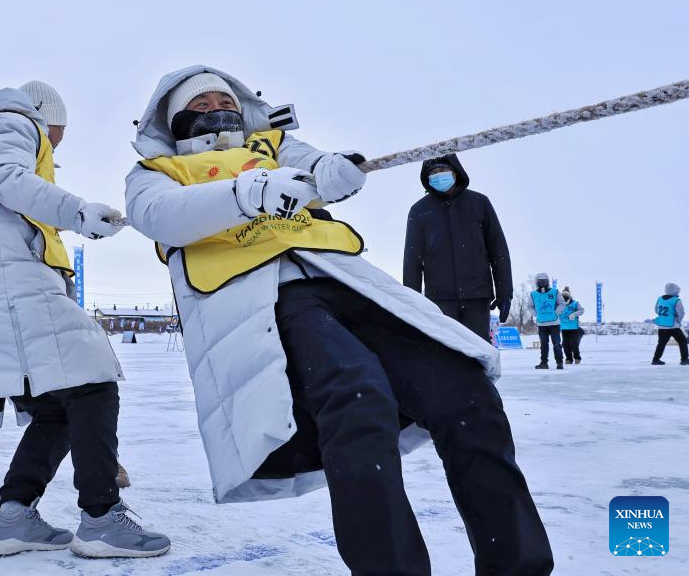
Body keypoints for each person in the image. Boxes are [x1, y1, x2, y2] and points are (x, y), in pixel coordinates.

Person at [124, 66, 553, 575]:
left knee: (465, 390)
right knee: (356, 398)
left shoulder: (272, 146)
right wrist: (247, 193)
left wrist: (335, 173)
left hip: (345, 279)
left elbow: (318, 168)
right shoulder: (156, 172)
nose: (216, 110)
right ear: (173, 122)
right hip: (266, 295)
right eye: (199, 105)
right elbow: (159, 214)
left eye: (225, 101)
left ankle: (517, 566)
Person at [0, 81, 168, 558]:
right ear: (47, 116)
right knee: (93, 380)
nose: (56, 145)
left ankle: (13, 517)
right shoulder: (16, 119)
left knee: (58, 406)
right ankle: (102, 518)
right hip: (13, 289)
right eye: (59, 132)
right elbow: (7, 179)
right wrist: (78, 212)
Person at [403, 154, 512, 341]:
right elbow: (412, 260)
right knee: (446, 351)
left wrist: (505, 293)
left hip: (477, 296)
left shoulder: (479, 203)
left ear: (455, 172)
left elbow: (498, 250)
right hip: (439, 300)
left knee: (478, 350)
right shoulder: (419, 210)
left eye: (442, 170)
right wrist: (412, 302)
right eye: (433, 173)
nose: (438, 175)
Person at [532, 273, 565, 370]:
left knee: (557, 343)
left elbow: (562, 303)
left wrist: (556, 313)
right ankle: (544, 363)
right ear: (537, 282)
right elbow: (529, 306)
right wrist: (536, 314)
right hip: (541, 323)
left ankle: (559, 363)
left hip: (554, 323)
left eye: (544, 280)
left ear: (548, 281)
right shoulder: (533, 294)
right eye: (540, 281)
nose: (542, 282)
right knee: (543, 345)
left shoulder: (555, 292)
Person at [652, 282, 688, 365]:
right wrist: (678, 320)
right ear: (675, 291)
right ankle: (684, 359)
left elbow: (656, 310)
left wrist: (664, 316)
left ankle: (655, 360)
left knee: (661, 344)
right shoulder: (676, 300)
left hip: (662, 326)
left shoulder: (659, 299)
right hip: (673, 326)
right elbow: (681, 313)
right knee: (683, 341)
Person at [559, 287, 585, 364]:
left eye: (566, 298)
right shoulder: (559, 304)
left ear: (569, 297)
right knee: (565, 344)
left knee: (574, 343)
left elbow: (582, 310)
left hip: (574, 328)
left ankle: (577, 358)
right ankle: (568, 359)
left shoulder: (575, 304)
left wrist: (574, 314)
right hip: (564, 328)